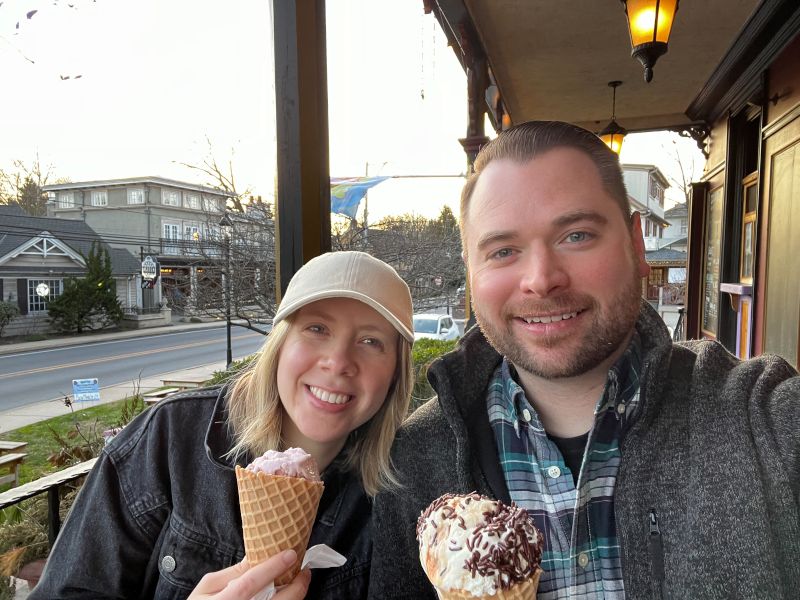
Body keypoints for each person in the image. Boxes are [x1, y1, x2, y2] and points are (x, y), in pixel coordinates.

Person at [369, 121, 800, 599]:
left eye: (576, 235)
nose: (541, 279)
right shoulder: (409, 466)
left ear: (636, 244)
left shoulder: (762, 421)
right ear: (471, 270)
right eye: (503, 250)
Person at [32, 251, 415, 600]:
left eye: (371, 341)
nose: (338, 361)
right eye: (317, 328)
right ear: (280, 343)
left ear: (396, 373)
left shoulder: (402, 492)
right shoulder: (170, 440)